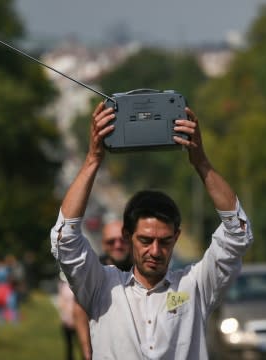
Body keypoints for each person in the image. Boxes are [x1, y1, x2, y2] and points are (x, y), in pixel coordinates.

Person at [50, 102, 253, 359]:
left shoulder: (195, 286)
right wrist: (92, 160)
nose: (155, 251)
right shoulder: (102, 287)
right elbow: (64, 239)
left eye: (165, 241)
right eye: (145, 240)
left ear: (177, 237)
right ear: (127, 236)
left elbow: (238, 232)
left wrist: (201, 162)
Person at [74, 219, 132, 359]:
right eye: (111, 241)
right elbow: (79, 311)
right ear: (103, 244)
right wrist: (87, 351)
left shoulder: (142, 269)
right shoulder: (93, 271)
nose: (117, 245)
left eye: (123, 240)